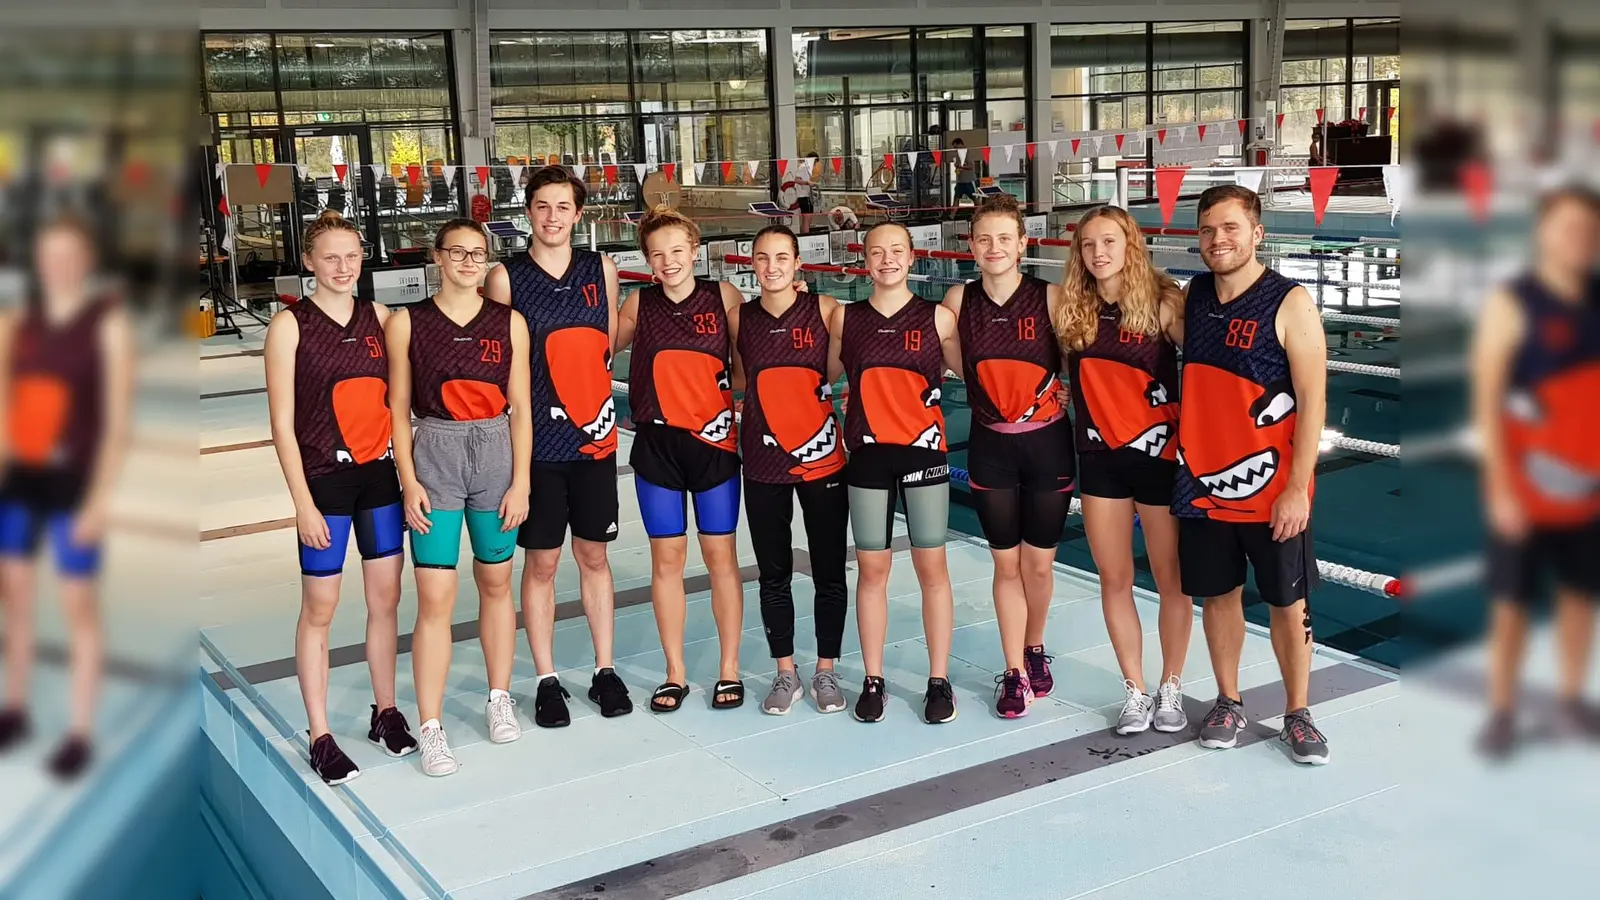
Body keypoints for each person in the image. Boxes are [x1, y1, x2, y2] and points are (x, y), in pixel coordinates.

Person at [1172, 185, 1329, 765]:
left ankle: (1298, 713)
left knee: (1289, 604)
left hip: (1274, 495)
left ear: (1257, 232)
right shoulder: (1193, 297)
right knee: (1218, 596)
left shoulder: (1289, 301)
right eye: (1209, 229)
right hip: (1201, 486)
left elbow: (1313, 400)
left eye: (1231, 228)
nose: (1218, 240)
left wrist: (1297, 487)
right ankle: (1229, 700)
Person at [262, 210, 415, 785]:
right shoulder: (289, 327)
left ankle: (386, 710)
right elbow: (281, 424)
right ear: (309, 262)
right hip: (324, 483)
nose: (343, 267)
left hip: (379, 481)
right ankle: (320, 733)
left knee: (385, 602)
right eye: (330, 257)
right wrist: (301, 501)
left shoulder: (379, 317)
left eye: (351, 255)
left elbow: (396, 407)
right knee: (320, 610)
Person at [484, 165, 632, 727]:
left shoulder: (603, 270)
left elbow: (607, 347)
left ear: (578, 213)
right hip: (537, 446)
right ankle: (546, 678)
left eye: (562, 206)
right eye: (541, 206)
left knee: (594, 556)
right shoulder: (506, 278)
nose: (552, 217)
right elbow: (499, 363)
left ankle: (604, 669)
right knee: (541, 563)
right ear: (529, 213)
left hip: (594, 441)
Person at [387, 220, 531, 777]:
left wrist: (521, 481)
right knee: (435, 596)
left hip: (495, 453)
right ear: (438, 258)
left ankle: (499, 696)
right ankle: (431, 726)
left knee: (497, 583)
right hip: (437, 456)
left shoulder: (510, 322)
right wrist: (409, 479)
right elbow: (398, 409)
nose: (469, 262)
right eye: (458, 252)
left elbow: (519, 406)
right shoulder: (409, 323)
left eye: (478, 253)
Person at [0, 214, 133, 780]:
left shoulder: (107, 326)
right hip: (21, 483)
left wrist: (100, 500)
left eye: (68, 256)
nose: (57, 266)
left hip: (76, 483)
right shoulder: (15, 323)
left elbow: (117, 422)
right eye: (48, 256)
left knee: (78, 606)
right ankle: (17, 706)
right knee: (17, 598)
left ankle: (79, 730)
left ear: (86, 261)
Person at [1472, 184, 1600, 758]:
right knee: (1513, 602)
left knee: (1579, 597)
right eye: (1567, 228)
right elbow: (1487, 397)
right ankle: (1503, 709)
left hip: (1589, 486)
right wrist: (1499, 488)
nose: (1578, 240)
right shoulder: (1513, 301)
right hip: (1524, 486)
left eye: (1587, 231)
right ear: (1543, 232)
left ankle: (1571, 699)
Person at [1055, 204, 1191, 735]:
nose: (1098, 253)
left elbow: (1211, 364)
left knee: (1171, 581)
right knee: (1114, 578)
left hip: (1159, 459)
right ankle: (1135, 689)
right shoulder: (1073, 308)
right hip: (1100, 459)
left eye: (1109, 242)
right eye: (1088, 245)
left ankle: (1171, 686)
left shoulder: (1162, 302)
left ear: (1130, 243)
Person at [940, 194, 1073, 719]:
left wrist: (1066, 393)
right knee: (1005, 564)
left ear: (1023, 244)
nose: (994, 248)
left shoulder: (1052, 298)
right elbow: (941, 354)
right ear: (971, 247)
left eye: (1005, 239)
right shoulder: (958, 299)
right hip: (990, 445)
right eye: (984, 239)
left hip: (1048, 444)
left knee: (1038, 567)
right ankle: (1014, 669)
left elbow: (1079, 365)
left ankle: (1034, 645)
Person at [828, 222, 962, 724]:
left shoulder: (939, 318)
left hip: (924, 453)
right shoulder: (846, 317)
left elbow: (979, 373)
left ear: (912, 257)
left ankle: (938, 679)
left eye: (897, 251)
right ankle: (874, 678)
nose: (887, 259)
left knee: (933, 569)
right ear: (864, 260)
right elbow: (818, 376)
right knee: (872, 571)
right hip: (866, 456)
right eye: (877, 252)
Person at [613, 206, 746, 713]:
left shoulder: (723, 297)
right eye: (657, 254)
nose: (668, 261)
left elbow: (747, 367)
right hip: (656, 449)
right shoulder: (638, 304)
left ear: (695, 251)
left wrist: (710, 399)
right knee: (666, 561)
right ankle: (675, 673)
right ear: (647, 261)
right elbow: (594, 349)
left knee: (720, 560)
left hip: (713, 446)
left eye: (676, 251)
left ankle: (728, 669)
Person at [735, 225, 850, 715]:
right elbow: (740, 378)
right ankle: (786, 672)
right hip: (762, 460)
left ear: (798, 262)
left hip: (823, 457)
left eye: (782, 256)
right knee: (773, 573)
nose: (772, 266)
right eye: (762, 257)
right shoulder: (740, 318)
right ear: (752, 264)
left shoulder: (826, 309)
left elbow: (837, 368)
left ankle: (825, 669)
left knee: (828, 569)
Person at [950, 138, 977, 206]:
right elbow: (957, 170)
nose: (956, 149)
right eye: (955, 148)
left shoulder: (967, 153)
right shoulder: (957, 154)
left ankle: (980, 214)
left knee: (975, 199)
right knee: (956, 199)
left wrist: (961, 167)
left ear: (960, 144)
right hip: (960, 182)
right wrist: (957, 169)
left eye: (956, 147)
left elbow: (971, 166)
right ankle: (951, 216)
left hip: (969, 181)